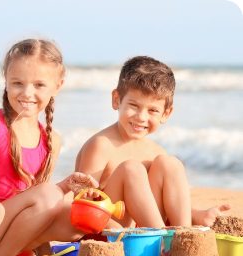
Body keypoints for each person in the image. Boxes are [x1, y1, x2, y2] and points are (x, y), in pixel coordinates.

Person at [0, 38, 97, 256]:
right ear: (6, 81)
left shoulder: (52, 140)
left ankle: (7, 254)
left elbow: (37, 200)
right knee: (50, 195)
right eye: (17, 83)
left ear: (57, 86)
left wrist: (65, 187)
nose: (27, 93)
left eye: (39, 85)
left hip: (18, 237)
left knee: (78, 218)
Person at [76, 56, 230, 230]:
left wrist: (197, 214)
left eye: (152, 110)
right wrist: (124, 231)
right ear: (116, 100)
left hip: (145, 232)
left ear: (166, 114)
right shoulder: (101, 145)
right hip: (110, 233)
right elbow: (82, 204)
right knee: (131, 169)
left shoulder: (155, 152)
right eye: (134, 105)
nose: (141, 117)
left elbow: (159, 203)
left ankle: (183, 239)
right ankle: (162, 240)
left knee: (170, 164)